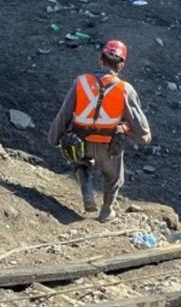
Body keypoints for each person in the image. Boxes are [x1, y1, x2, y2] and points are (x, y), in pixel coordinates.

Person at [48, 40, 152, 223]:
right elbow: (140, 127)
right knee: (114, 178)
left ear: (101, 60)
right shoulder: (125, 89)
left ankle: (85, 179)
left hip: (80, 143)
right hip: (109, 146)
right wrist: (142, 137)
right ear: (121, 65)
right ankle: (106, 211)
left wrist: (54, 138)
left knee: (79, 159)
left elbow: (64, 114)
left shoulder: (80, 82)